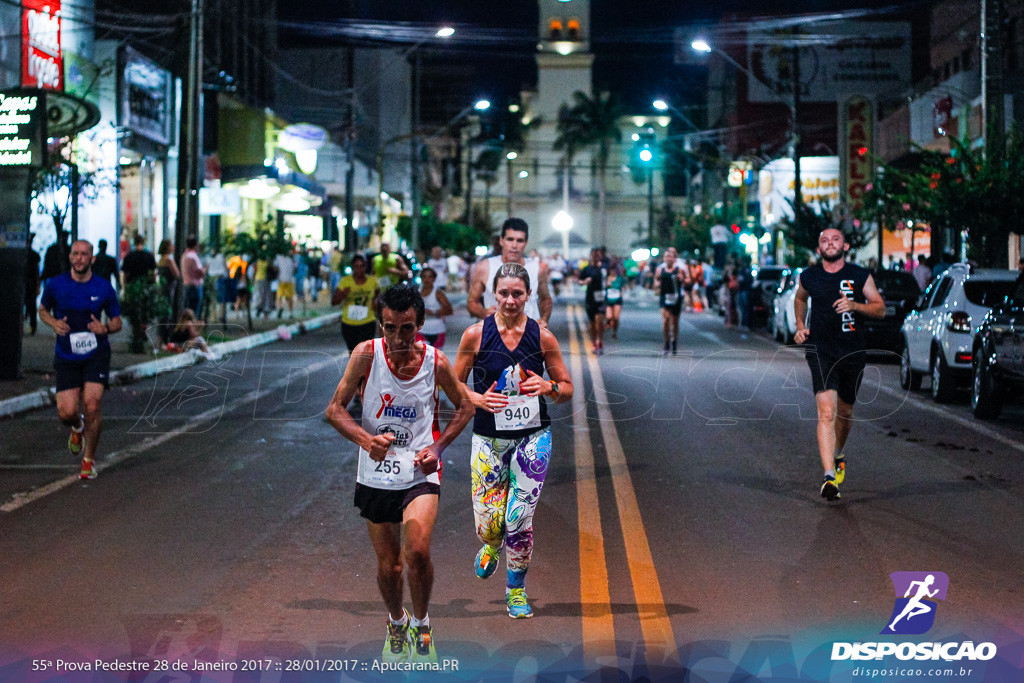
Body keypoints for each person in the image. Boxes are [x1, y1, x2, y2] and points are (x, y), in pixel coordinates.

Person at [325, 284, 473, 664]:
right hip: (375, 471)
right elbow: (335, 409)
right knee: (389, 567)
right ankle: (396, 621)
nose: (397, 337)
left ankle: (422, 626)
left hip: (419, 470)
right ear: (381, 324)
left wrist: (438, 449)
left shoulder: (435, 362)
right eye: (389, 327)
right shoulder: (366, 355)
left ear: (420, 323)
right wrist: (364, 439)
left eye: (406, 328)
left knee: (417, 552)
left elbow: (466, 407)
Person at [454, 262, 573, 619]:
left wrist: (548, 386)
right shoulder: (475, 335)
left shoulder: (543, 337)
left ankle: (516, 590)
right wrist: (477, 399)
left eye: (517, 293)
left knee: (518, 519)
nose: (510, 300)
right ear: (494, 294)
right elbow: (451, 384)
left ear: (529, 295)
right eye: (503, 293)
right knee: (489, 523)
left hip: (533, 439)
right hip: (489, 440)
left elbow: (566, 387)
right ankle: (490, 545)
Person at [794, 228, 886, 501]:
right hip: (821, 350)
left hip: (852, 351)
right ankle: (828, 477)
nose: (829, 244)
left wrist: (856, 306)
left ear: (844, 245)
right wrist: (800, 325)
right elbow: (800, 298)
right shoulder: (809, 275)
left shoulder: (859, 275)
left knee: (845, 412)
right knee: (826, 412)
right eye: (824, 240)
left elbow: (880, 308)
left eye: (835, 239)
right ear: (818, 247)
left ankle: (837, 456)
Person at [38, 239, 123, 480]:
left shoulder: (104, 288)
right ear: (70, 258)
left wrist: (104, 328)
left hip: (96, 355)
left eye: (84, 254)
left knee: (93, 405)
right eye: (75, 254)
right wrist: (54, 323)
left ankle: (88, 460)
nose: (79, 258)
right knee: (66, 413)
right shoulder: (57, 285)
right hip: (66, 355)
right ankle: (77, 426)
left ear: (92, 259)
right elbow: (42, 310)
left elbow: (118, 321)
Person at [467, 218, 551, 326]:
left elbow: (546, 299)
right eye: (510, 239)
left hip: (528, 335)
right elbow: (471, 302)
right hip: (496, 334)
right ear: (501, 241)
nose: (514, 245)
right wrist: (483, 312)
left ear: (526, 243)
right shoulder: (484, 268)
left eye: (519, 240)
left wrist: (544, 320)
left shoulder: (537, 269)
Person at [333, 254, 380, 353]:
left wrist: (376, 303)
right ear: (353, 267)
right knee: (353, 352)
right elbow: (334, 301)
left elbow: (378, 296)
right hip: (349, 322)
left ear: (365, 267)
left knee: (364, 352)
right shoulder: (345, 282)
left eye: (362, 266)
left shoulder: (372, 281)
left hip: (367, 321)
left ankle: (366, 368)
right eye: (356, 267)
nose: (359, 270)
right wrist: (343, 294)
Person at [655, 247, 688, 355]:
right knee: (665, 321)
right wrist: (657, 284)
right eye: (666, 257)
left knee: (675, 321)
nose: (668, 259)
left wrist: (682, 279)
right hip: (664, 297)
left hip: (676, 298)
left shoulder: (680, 269)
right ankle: (666, 342)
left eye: (670, 257)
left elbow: (688, 280)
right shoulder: (660, 270)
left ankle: (674, 341)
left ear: (674, 259)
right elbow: (655, 281)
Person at [577, 248, 607, 354]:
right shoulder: (587, 269)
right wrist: (585, 281)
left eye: (597, 255)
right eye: (593, 255)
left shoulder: (604, 268)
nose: (595, 257)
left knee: (599, 319)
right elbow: (579, 281)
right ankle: (594, 343)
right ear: (591, 256)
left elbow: (612, 277)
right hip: (590, 297)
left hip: (601, 297)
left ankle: (600, 340)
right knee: (592, 323)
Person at [418, 267, 453, 347]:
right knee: (422, 356)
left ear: (434, 279)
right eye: (424, 276)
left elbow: (449, 310)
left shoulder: (438, 293)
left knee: (436, 357)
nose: (427, 279)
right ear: (421, 278)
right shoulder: (417, 293)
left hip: (437, 330)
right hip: (421, 331)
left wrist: (433, 312)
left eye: (430, 277)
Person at [180, 237, 206, 317]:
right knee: (194, 312)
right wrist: (205, 269)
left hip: (187, 285)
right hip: (195, 286)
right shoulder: (193, 257)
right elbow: (200, 272)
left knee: (189, 310)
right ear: (195, 245)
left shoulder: (184, 256)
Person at [24, 235, 41, 335]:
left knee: (31, 304)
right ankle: (32, 325)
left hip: (29, 282)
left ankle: (32, 325)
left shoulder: (32, 255)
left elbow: (36, 271)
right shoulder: (34, 254)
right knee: (31, 305)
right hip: (30, 282)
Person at [206, 248, 228, 323]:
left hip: (213, 278)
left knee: (213, 299)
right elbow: (226, 267)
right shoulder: (221, 257)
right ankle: (220, 316)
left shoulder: (209, 258)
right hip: (220, 278)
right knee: (220, 298)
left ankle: (214, 316)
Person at [274, 248, 297, 319]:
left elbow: (275, 267)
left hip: (281, 280)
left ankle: (280, 308)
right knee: (289, 297)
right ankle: (290, 313)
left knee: (279, 297)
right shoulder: (290, 259)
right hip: (289, 280)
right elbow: (295, 269)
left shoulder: (278, 258)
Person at [604, 267, 625, 339]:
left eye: (615, 270)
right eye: (612, 270)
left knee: (616, 317)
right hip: (608, 300)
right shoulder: (606, 279)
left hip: (617, 300)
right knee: (609, 316)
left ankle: (614, 332)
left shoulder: (620, 278)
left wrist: (622, 291)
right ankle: (609, 322)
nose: (613, 271)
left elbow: (624, 287)